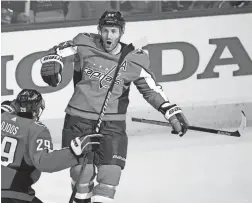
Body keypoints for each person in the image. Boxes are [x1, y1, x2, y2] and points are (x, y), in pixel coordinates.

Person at [40, 10, 189, 203]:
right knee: (80, 174)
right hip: (78, 121)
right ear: (99, 30)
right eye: (105, 30)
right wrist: (53, 62)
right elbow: (57, 52)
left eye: (113, 31)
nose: (109, 35)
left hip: (112, 126)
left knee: (110, 176)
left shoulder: (135, 58)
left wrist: (169, 111)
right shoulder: (84, 43)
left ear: (121, 32)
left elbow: (151, 89)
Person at [1, 89, 103, 203]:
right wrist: (74, 152)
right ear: (36, 110)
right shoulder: (36, 129)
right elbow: (44, 162)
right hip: (15, 194)